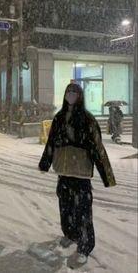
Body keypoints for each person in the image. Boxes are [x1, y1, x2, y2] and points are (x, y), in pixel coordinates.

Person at [38, 83, 116, 269]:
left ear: (80, 96)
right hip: (63, 170)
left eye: (74, 92)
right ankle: (70, 234)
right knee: (64, 206)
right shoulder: (59, 117)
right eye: (68, 92)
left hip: (80, 173)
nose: (71, 95)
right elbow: (50, 143)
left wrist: (107, 176)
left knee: (82, 211)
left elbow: (97, 147)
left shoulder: (87, 119)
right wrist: (45, 163)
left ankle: (85, 247)